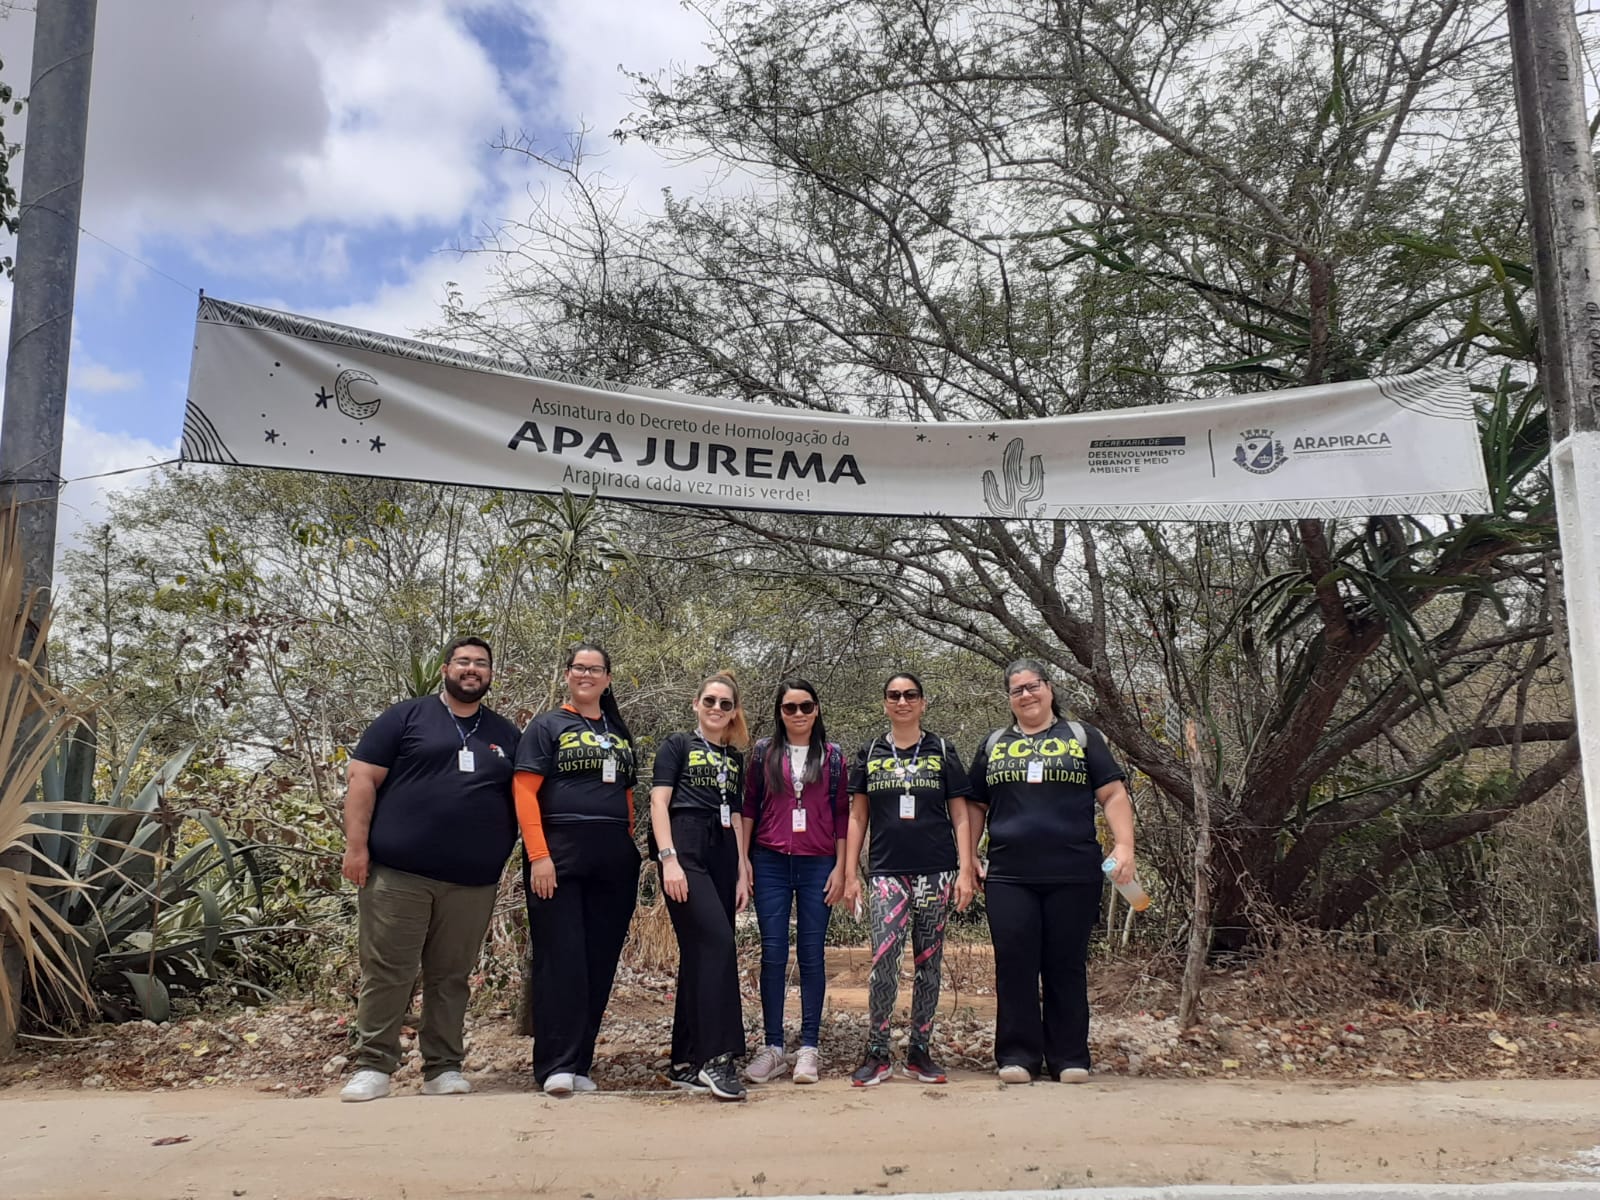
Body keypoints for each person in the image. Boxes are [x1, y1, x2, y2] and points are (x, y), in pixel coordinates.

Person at [339, 637, 520, 1102]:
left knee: (451, 975)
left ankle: (443, 1067)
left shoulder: (504, 733)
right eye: (463, 661)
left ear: (490, 675)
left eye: (481, 663)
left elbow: (524, 799)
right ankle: (373, 1065)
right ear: (445, 669)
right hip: (400, 874)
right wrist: (355, 848)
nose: (471, 669)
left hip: (472, 882)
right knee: (387, 969)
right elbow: (362, 780)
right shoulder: (405, 717)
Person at [967, 658, 1135, 1085]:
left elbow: (1113, 792)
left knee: (1066, 963)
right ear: (1009, 698)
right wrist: (966, 856)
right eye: (1017, 689)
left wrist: (1124, 845)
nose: (1026, 694)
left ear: (1049, 688)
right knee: (1015, 963)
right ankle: (1017, 1055)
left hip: (1073, 873)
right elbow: (975, 806)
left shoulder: (1081, 737)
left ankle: (1068, 1056)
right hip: (1009, 875)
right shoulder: (994, 744)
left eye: (1033, 686)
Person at [514, 642, 641, 1096]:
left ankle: (581, 1061)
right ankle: (555, 1065)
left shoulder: (618, 731)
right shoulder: (548, 726)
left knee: (598, 961)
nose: (587, 675)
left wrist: (626, 842)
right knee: (560, 958)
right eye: (579, 668)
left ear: (608, 679)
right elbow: (525, 791)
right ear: (568, 674)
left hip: (613, 856)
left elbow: (626, 794)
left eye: (596, 669)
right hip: (559, 852)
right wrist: (538, 856)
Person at [842, 672, 975, 1087]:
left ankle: (920, 1049)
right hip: (886, 872)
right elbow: (858, 815)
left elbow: (960, 814)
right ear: (884, 703)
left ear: (923, 702)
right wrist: (850, 872)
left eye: (910, 695)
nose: (902, 702)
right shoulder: (870, 751)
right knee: (884, 960)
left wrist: (967, 868)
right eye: (894, 696)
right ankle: (878, 1051)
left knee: (927, 963)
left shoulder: (941, 750)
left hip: (936, 870)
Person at [648, 671, 752, 1101]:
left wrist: (743, 869)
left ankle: (684, 1060)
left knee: (699, 954)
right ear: (696, 704)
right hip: (686, 846)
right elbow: (659, 801)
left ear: (733, 713)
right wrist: (668, 858)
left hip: (725, 851)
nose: (716, 709)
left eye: (725, 704)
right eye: (710, 700)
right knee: (718, 945)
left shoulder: (734, 758)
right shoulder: (677, 746)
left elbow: (740, 815)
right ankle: (716, 1058)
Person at [740, 678, 850, 1085]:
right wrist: (743, 861)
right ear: (780, 712)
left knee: (811, 954)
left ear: (817, 710)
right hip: (769, 860)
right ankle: (772, 1047)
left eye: (806, 707)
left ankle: (808, 1047)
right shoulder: (763, 753)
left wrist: (842, 866)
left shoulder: (834, 757)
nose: (799, 714)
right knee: (771, 953)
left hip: (818, 863)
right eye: (790, 708)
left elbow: (843, 814)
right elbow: (749, 806)